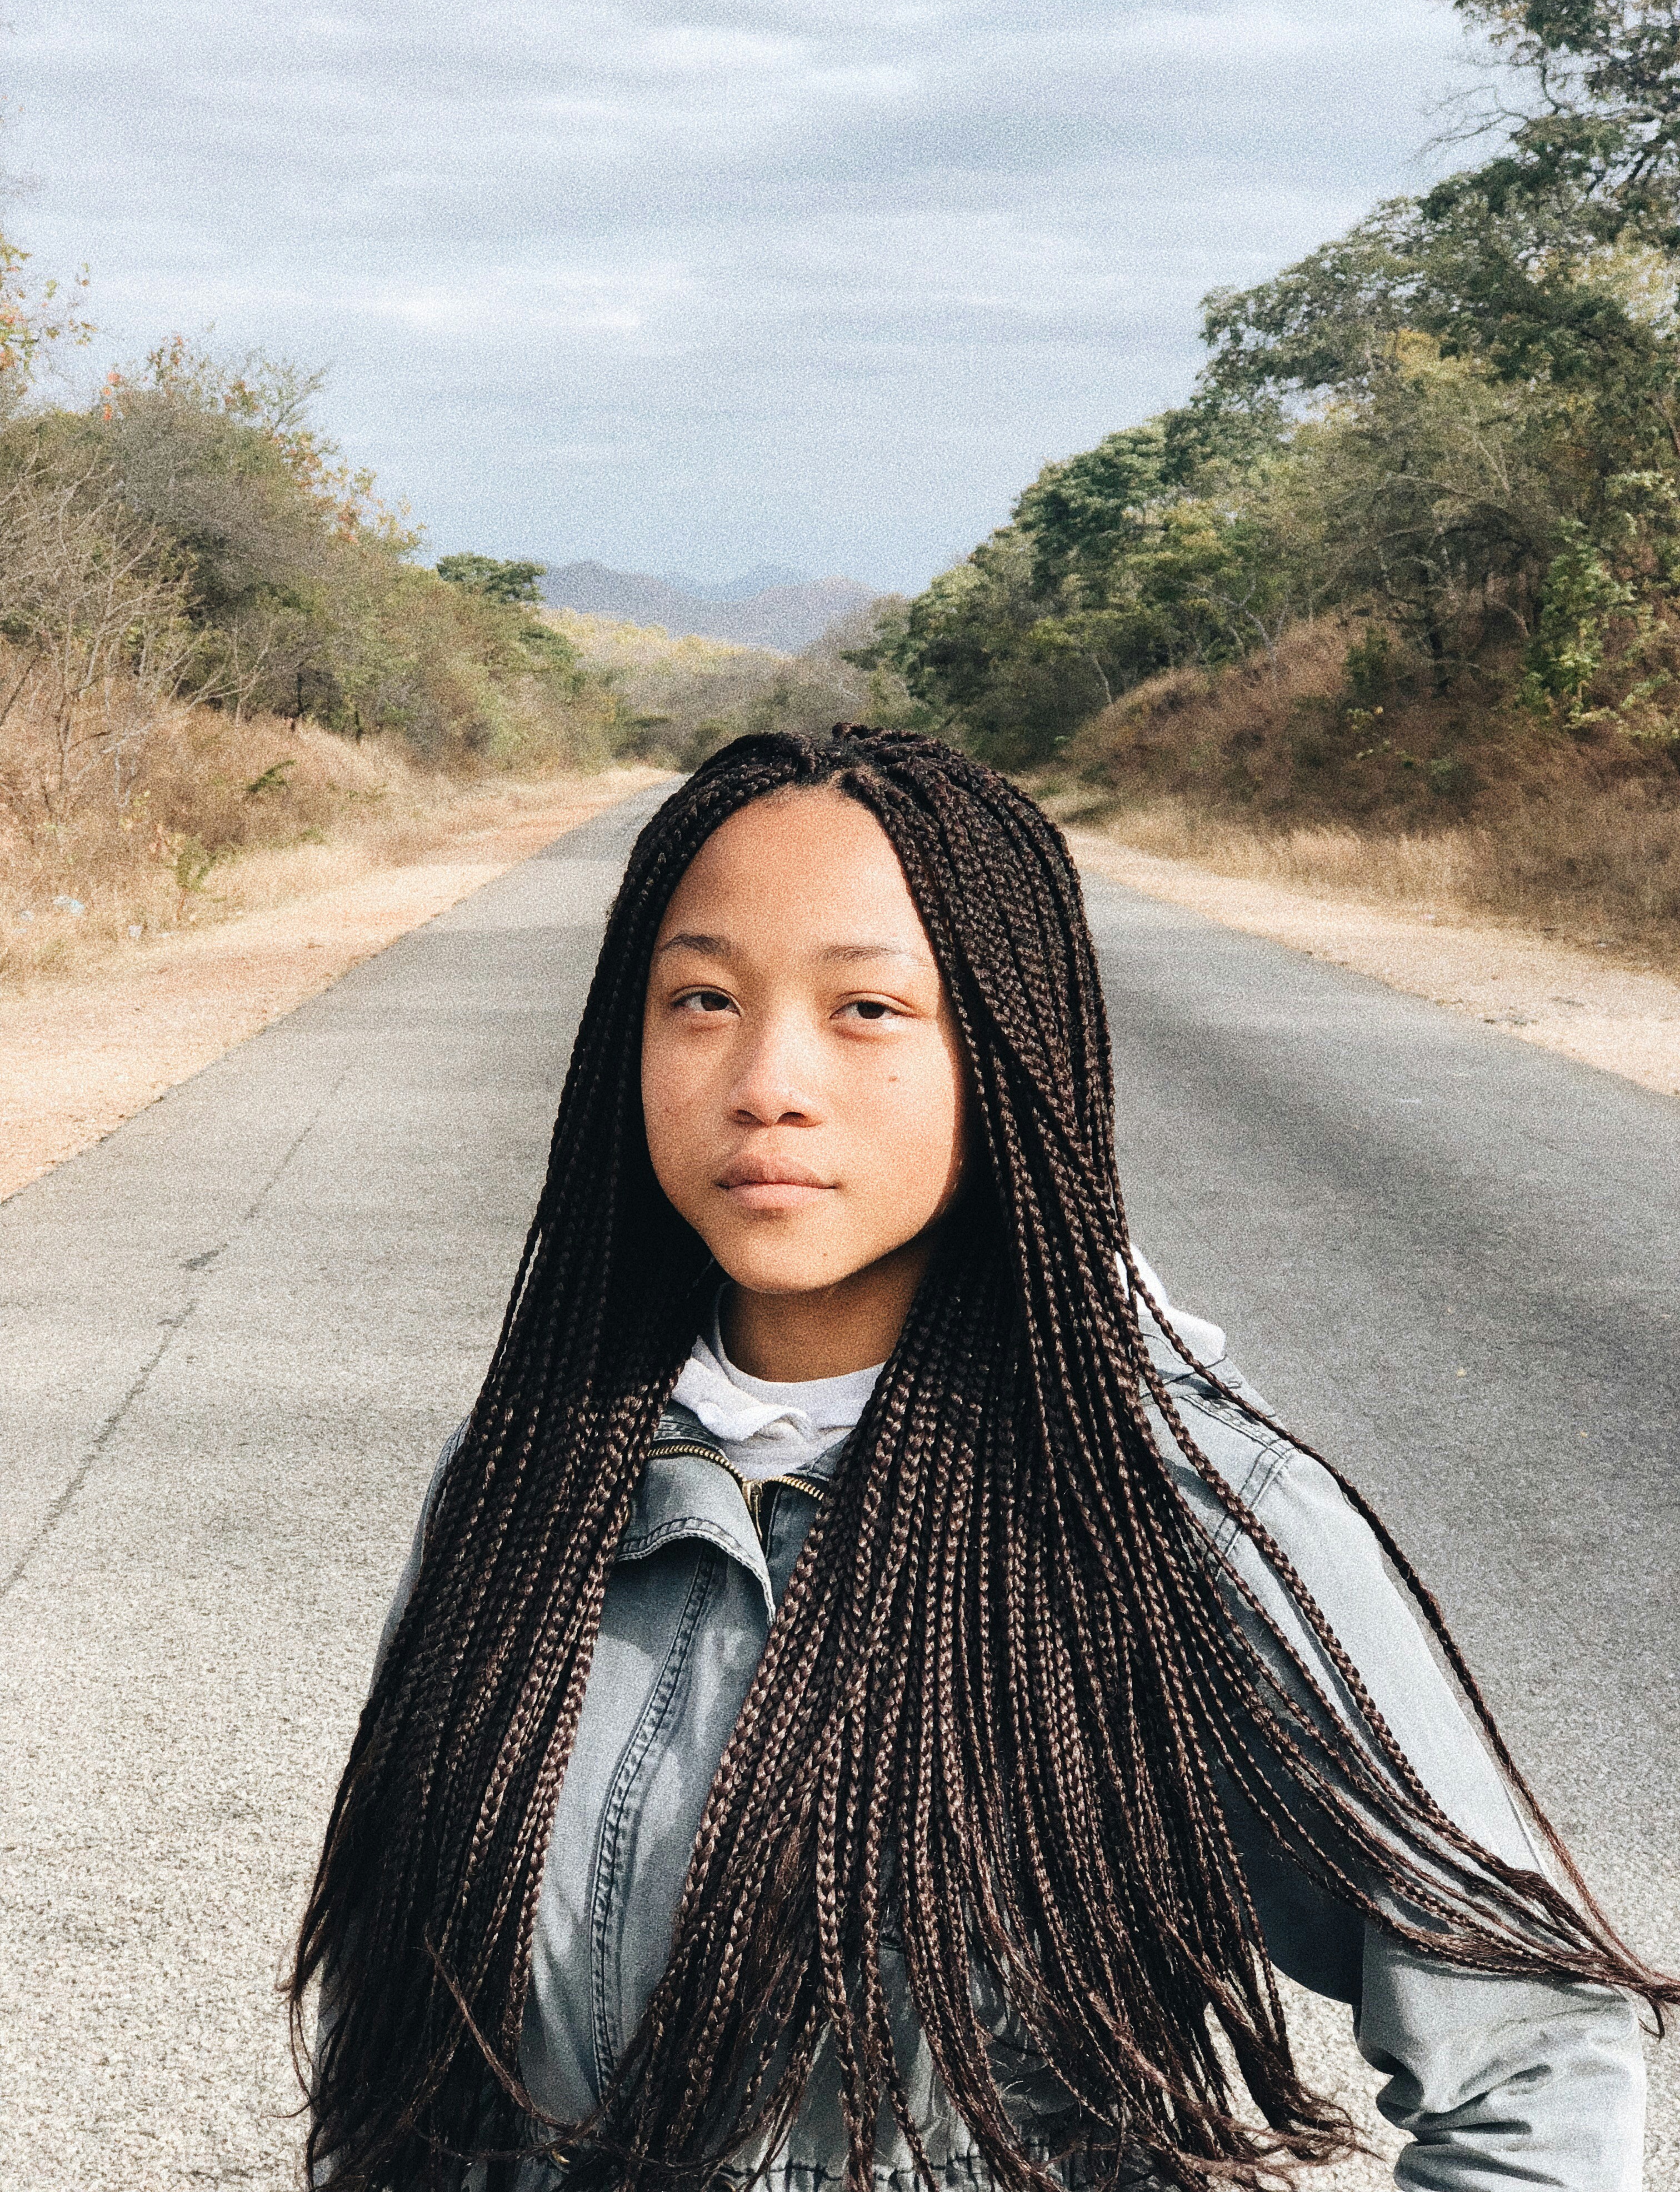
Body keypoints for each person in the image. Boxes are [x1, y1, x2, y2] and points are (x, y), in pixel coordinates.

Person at [291, 728, 1671, 2192]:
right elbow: (400, 2060)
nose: (768, 1080)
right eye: (701, 998)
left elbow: (1529, 2051)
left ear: (1001, 1052)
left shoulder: (1168, 1503)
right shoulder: (527, 1479)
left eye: (868, 1008)